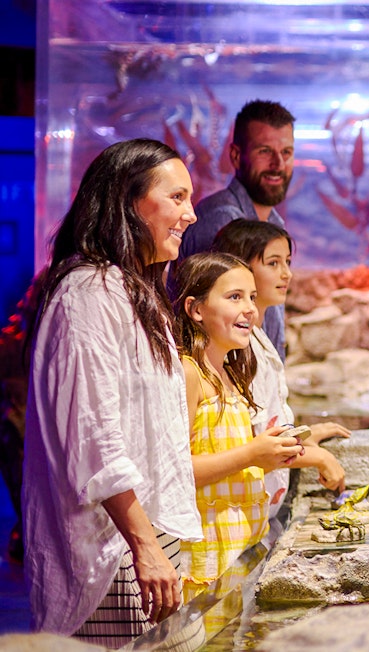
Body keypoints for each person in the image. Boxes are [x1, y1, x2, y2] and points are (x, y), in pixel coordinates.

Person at [22, 139, 203, 646]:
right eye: (177, 197)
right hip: (109, 551)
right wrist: (144, 545)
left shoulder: (131, 288)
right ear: (128, 200)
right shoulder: (88, 293)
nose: (189, 214)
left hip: (146, 535)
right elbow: (92, 436)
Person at [171, 252, 305, 599]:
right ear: (196, 309)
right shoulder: (189, 374)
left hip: (240, 553)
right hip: (205, 562)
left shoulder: (231, 375)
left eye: (252, 298)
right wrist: (251, 455)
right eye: (234, 297)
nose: (250, 309)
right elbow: (178, 472)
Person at [210, 219, 348, 521]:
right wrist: (319, 457)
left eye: (287, 262)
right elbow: (254, 444)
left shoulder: (256, 336)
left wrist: (305, 436)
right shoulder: (234, 346)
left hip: (261, 510)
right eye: (273, 263)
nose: (287, 273)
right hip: (235, 517)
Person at [170, 99, 296, 360]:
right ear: (237, 156)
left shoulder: (274, 224)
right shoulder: (221, 220)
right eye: (265, 151)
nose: (278, 164)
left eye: (286, 153)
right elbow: (210, 329)